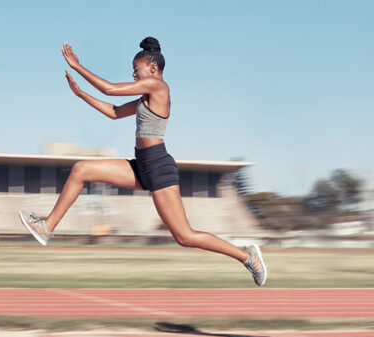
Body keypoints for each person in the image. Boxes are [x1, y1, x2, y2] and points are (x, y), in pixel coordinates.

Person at [19, 37, 267, 286]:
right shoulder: (144, 98)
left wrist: (76, 66)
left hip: (158, 167)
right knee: (81, 169)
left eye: (135, 70)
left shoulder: (160, 87)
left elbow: (110, 89)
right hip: (141, 165)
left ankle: (247, 256)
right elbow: (114, 112)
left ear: (152, 68)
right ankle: (47, 226)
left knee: (184, 236)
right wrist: (81, 94)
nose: (132, 74)